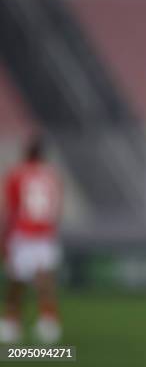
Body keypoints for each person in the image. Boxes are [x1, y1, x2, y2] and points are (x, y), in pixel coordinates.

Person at [0, 135, 63, 344]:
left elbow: (11, 209)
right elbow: (55, 207)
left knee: (17, 280)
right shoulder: (51, 175)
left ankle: (11, 322)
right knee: (45, 279)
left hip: (23, 233)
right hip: (44, 234)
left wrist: (4, 237)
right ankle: (48, 322)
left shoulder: (17, 174)